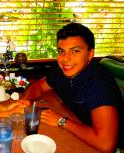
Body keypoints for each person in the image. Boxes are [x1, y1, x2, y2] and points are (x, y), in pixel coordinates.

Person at [22, 23, 124, 153]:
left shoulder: (98, 83)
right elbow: (39, 86)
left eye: (75, 51)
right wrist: (28, 100)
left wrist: (61, 121)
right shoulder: (64, 71)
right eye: (61, 52)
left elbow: (106, 144)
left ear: (90, 54)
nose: (65, 59)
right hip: (78, 128)